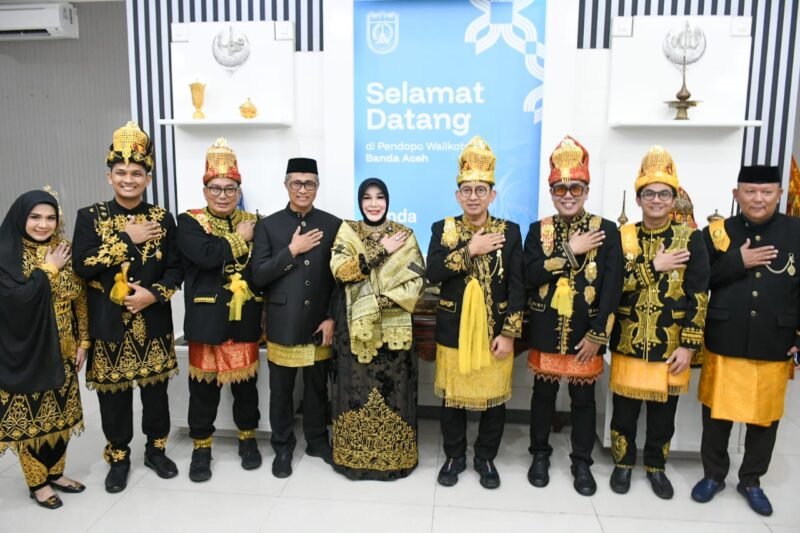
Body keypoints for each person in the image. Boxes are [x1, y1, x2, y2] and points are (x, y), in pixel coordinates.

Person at [72, 121, 183, 493]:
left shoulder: (163, 218)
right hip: (109, 324)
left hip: (152, 319)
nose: (129, 179)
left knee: (155, 394)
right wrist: (125, 238)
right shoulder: (89, 218)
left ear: (148, 178)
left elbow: (175, 268)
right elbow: (82, 265)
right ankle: (118, 457)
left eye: (137, 173)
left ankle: (156, 450)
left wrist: (154, 293)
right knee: (113, 397)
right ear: (109, 177)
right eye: (121, 172)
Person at [691, 165, 800, 516]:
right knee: (717, 415)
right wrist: (739, 261)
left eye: (766, 192)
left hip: (775, 338)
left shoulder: (796, 231)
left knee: (764, 418)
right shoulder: (718, 232)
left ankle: (751, 479)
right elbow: (699, 279)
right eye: (750, 191)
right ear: (736, 194)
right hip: (725, 336)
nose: (758, 199)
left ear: (779, 194)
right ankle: (713, 475)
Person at [607, 145, 709, 499]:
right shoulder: (623, 238)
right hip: (628, 339)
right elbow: (613, 289)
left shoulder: (690, 238)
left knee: (664, 416)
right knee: (624, 412)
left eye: (663, 194)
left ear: (674, 197)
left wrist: (689, 344)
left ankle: (656, 467)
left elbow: (699, 294)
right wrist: (654, 268)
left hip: (671, 344)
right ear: (638, 199)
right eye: (648, 194)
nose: (656, 200)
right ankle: (622, 464)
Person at [524, 136, 622, 496]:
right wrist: (569, 251)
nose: (567, 195)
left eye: (574, 188)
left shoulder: (606, 230)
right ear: (552, 192)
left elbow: (612, 287)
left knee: (584, 400)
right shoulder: (539, 230)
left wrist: (599, 335)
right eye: (560, 188)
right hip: (547, 330)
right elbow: (531, 274)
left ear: (586, 189)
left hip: (587, 331)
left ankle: (582, 462)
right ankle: (539, 454)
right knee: (542, 396)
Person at [427, 136, 525, 489]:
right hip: (453, 329)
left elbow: (517, 286)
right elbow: (433, 271)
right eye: (466, 189)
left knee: (492, 402)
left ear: (492, 195)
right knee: (452, 400)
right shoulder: (444, 228)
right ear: (457, 195)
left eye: (480, 189)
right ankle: (454, 457)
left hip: (495, 333)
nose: (472, 196)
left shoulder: (510, 232)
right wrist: (471, 249)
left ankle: (485, 459)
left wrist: (510, 332)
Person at [177, 138, 263, 482]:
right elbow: (206, 255)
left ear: (239, 190)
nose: (223, 195)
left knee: (246, 387)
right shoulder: (189, 221)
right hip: (206, 318)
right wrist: (240, 239)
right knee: (203, 389)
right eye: (216, 188)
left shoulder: (255, 219)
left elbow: (261, 267)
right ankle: (201, 447)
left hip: (245, 318)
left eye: (230, 188)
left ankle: (248, 440)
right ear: (205, 189)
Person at [329, 177, 425, 480]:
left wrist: (379, 300)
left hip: (394, 334)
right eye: (367, 198)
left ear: (388, 200)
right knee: (354, 392)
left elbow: (417, 279)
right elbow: (342, 271)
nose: (373, 203)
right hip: (356, 332)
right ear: (360, 201)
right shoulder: (348, 232)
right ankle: (353, 459)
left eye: (380, 197)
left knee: (395, 391)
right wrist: (379, 251)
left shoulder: (404, 235)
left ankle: (395, 459)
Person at [251, 157, 341, 478]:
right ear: (286, 185)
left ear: (317, 186)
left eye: (310, 183)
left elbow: (339, 279)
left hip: (319, 322)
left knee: (318, 388)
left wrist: (332, 316)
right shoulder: (269, 225)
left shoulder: (333, 225)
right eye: (297, 183)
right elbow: (258, 275)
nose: (303, 189)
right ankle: (283, 446)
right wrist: (292, 251)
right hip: (282, 321)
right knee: (282, 391)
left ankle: (317, 441)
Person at [0, 190, 88, 509]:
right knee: (32, 418)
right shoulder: (7, 253)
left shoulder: (63, 249)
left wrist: (84, 342)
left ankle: (56, 473)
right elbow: (15, 300)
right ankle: (38, 484)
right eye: (35, 217)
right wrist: (48, 270)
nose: (43, 224)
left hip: (63, 350)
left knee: (61, 415)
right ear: (21, 217)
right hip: (27, 352)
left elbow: (80, 299)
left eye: (50, 218)